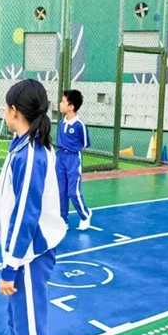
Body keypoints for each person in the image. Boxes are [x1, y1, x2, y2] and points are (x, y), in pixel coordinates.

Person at [0, 79, 66, 335]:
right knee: (17, 321)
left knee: (31, 326)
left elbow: (25, 215)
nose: (4, 113)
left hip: (30, 256)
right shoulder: (21, 145)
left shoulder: (32, 153)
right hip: (21, 254)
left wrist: (11, 266)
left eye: (5, 108)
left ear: (14, 111)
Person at [56, 89, 93, 230]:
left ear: (71, 107)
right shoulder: (61, 123)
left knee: (73, 192)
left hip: (73, 159)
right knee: (61, 191)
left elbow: (85, 144)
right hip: (60, 158)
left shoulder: (79, 125)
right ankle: (63, 220)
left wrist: (72, 150)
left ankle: (85, 215)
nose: (60, 104)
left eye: (63, 102)